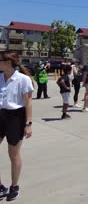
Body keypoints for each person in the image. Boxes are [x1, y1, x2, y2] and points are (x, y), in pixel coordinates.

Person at [0, 51, 34, 201]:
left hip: (16, 118)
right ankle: (0, 186)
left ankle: (14, 186)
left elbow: (28, 102)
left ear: (7, 63)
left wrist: (28, 124)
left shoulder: (23, 79)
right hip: (0, 116)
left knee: (13, 155)